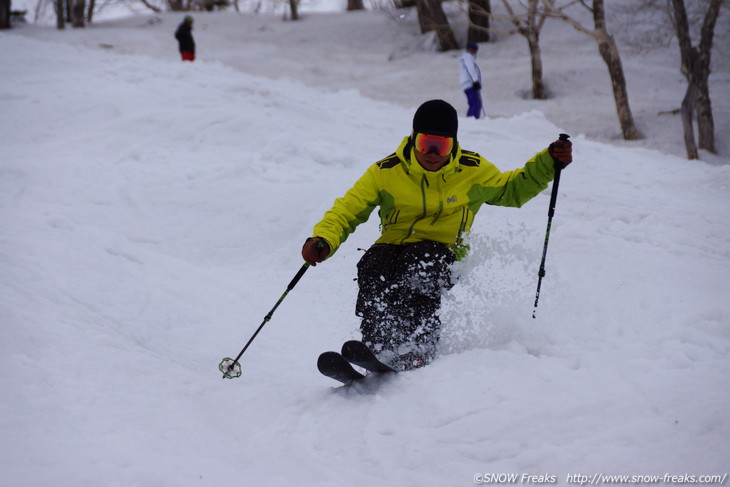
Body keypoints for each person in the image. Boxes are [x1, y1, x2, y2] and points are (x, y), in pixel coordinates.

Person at [302, 100, 572, 372]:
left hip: (444, 251)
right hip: (393, 245)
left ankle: (420, 346)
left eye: (440, 145)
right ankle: (378, 344)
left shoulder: (472, 170)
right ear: (413, 139)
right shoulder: (386, 172)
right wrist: (323, 238)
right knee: (374, 267)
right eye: (425, 143)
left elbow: (514, 190)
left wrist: (548, 163)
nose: (432, 153)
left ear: (453, 144)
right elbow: (348, 209)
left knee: (419, 264)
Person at [459, 42, 483, 119]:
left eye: (475, 49)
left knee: (477, 103)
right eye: (472, 49)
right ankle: (471, 120)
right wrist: (475, 81)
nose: (474, 51)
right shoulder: (468, 57)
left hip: (470, 84)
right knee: (475, 103)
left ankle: (474, 119)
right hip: (470, 84)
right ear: (468, 49)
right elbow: (470, 69)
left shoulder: (468, 57)